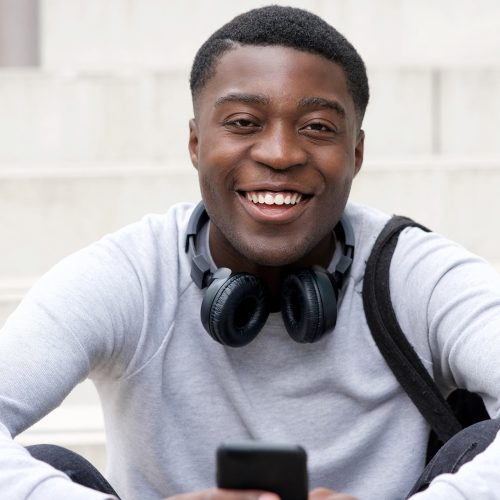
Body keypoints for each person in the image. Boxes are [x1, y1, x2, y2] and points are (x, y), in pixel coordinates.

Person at [1, 5, 500, 499]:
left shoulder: (417, 273)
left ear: (356, 153)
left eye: (318, 127)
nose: (280, 154)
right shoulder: (129, 274)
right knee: (51, 467)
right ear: (196, 143)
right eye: (243, 122)